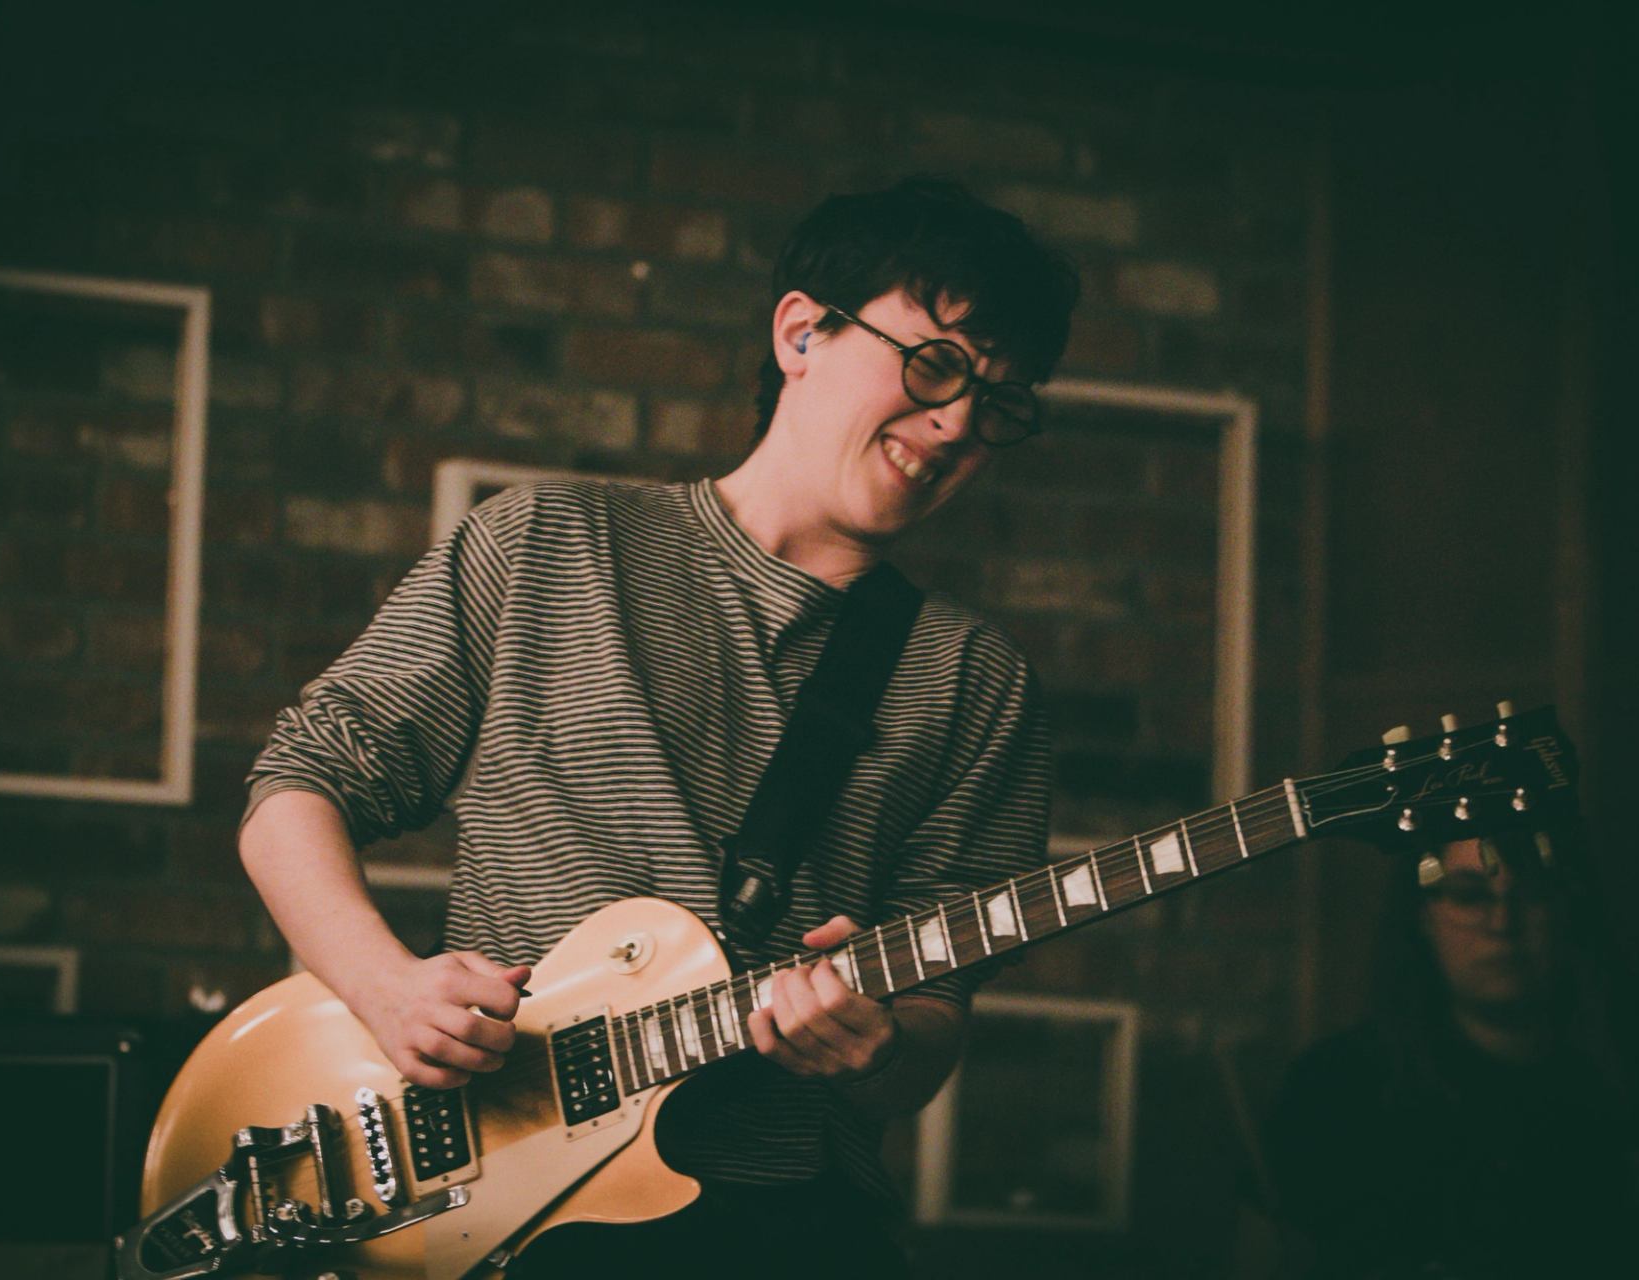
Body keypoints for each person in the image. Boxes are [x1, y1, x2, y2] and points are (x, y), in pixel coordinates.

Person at [239, 178, 1081, 1275]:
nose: (961, 422)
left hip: (788, 1220)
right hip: (503, 1216)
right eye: (937, 364)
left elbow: (930, 1026)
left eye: (1001, 404)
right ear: (802, 332)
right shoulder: (550, 542)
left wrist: (871, 1044)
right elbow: (299, 784)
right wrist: (385, 984)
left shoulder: (975, 678)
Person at [1251, 826, 1639, 1278]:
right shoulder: (1338, 1092)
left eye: (1530, 893)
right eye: (1470, 896)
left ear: (1568, 906)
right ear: (1423, 915)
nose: (1502, 923)